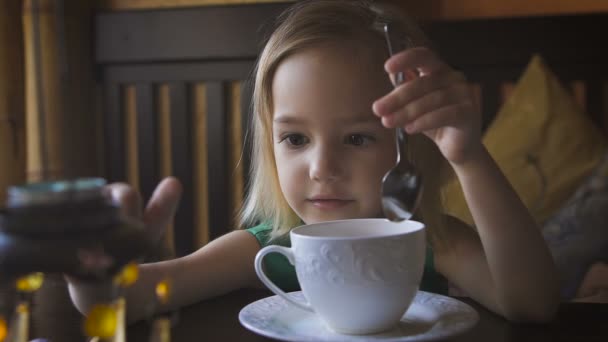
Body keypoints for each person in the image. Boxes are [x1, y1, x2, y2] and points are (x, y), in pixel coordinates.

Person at [68, 0, 560, 323]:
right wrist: (96, 273)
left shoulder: (431, 243)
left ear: (410, 144)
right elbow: (125, 303)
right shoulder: (261, 250)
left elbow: (533, 304)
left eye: (357, 137)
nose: (322, 167)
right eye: (296, 137)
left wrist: (469, 157)